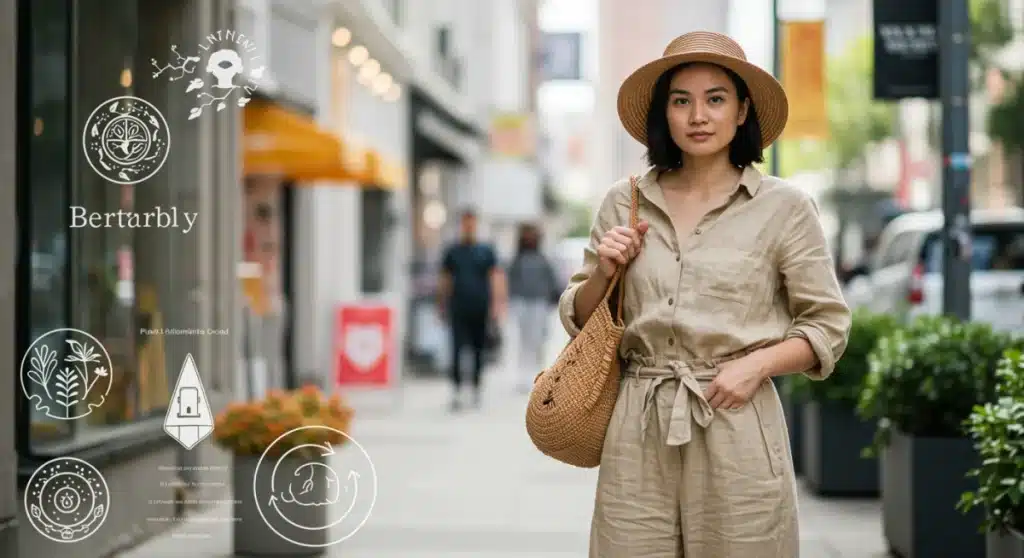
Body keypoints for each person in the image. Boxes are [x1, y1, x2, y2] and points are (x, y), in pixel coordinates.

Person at [557, 31, 852, 557]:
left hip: (736, 421)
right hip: (637, 427)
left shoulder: (784, 208)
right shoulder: (625, 202)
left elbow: (827, 325)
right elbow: (580, 318)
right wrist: (605, 271)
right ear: (664, 113)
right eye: (681, 101)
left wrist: (756, 366)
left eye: (715, 99)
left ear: (742, 111)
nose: (698, 116)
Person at [438, 208, 507, 411]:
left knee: (478, 349)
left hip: (480, 307)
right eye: (465, 223)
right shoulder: (453, 251)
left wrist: (497, 304)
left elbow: (496, 277)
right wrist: (441, 303)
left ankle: (476, 387)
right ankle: (457, 389)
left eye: (471, 223)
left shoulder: (485, 251)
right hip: (458, 307)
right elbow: (445, 279)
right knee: (456, 349)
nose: (468, 226)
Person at [507, 223, 561, 392]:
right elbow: (510, 280)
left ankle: (538, 375)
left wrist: (553, 299)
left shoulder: (543, 259)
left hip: (539, 303)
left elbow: (552, 281)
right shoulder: (517, 259)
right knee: (524, 340)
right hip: (521, 303)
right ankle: (523, 376)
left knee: (537, 340)